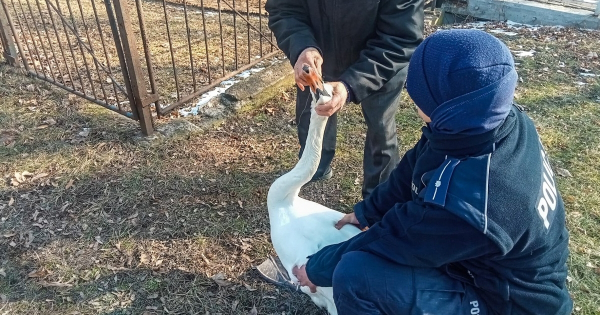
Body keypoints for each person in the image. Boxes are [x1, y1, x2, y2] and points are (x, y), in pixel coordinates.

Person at [291, 29, 573, 315]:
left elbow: (398, 236)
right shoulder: (492, 122)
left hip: (507, 305)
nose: (412, 98)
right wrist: (369, 211)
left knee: (354, 274)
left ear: (448, 108)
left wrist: (316, 268)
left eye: (420, 92)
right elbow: (420, 159)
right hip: (491, 267)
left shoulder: (473, 201)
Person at [265, 0, 424, 198]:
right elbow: (285, 8)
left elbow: (401, 37)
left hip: (382, 62)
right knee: (314, 113)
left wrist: (351, 85)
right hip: (319, 56)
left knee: (381, 127)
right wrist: (302, 47)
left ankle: (378, 197)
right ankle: (315, 167)